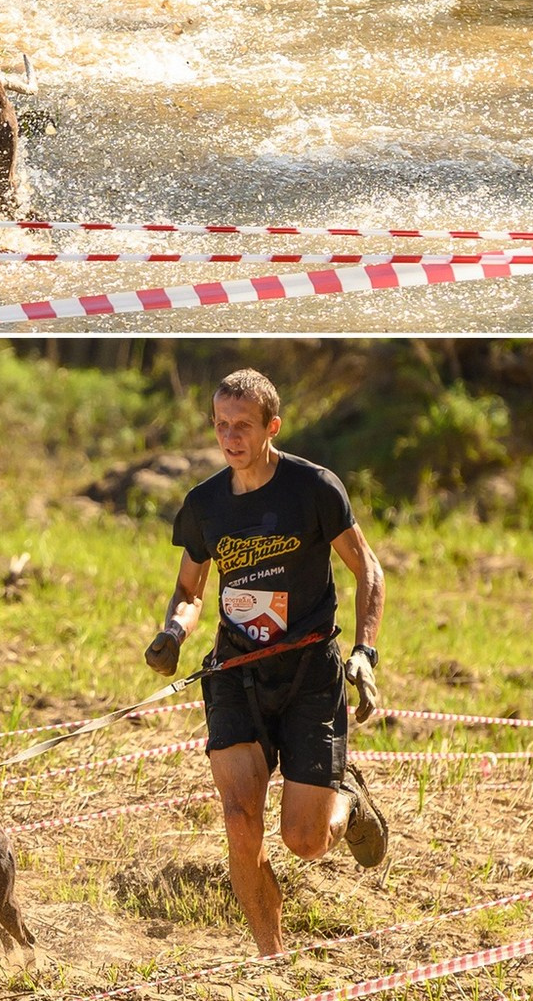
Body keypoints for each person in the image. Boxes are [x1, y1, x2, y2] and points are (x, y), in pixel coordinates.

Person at [148, 369, 389, 954]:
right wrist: (174, 632)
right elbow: (189, 590)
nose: (230, 438)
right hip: (236, 673)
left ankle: (348, 798)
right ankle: (271, 962)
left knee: (305, 841)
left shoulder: (314, 488)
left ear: (271, 427)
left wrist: (364, 652)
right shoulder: (204, 504)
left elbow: (368, 569)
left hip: (309, 673)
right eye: (221, 425)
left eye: (243, 426)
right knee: (239, 821)